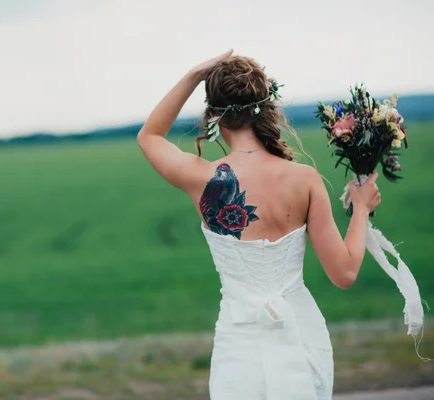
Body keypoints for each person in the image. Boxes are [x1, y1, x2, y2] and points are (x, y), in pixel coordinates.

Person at [136, 50, 381, 400]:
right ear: (267, 108)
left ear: (213, 115)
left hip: (239, 346)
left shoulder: (202, 178)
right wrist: (360, 208)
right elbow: (344, 274)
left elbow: (150, 137)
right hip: (302, 337)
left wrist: (194, 74)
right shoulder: (305, 180)